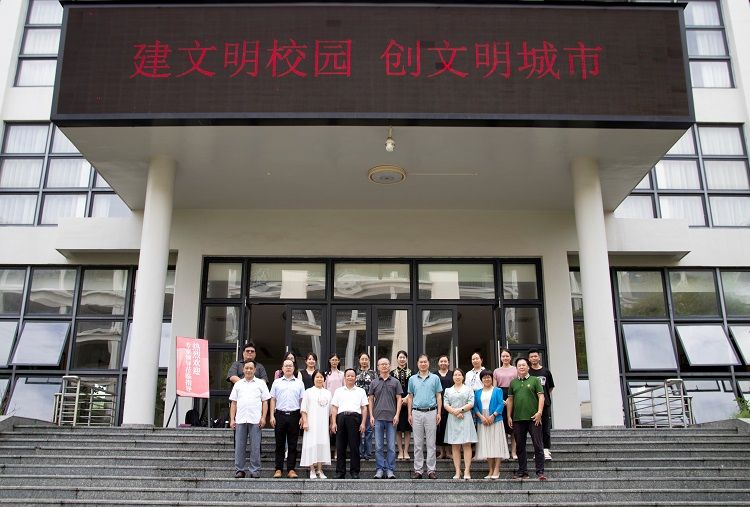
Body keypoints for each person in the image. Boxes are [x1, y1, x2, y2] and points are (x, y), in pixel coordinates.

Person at [229, 360, 270, 478]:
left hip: (255, 419)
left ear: (255, 370)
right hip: (240, 419)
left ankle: (255, 470)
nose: (249, 370)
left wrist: (263, 417)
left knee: (255, 446)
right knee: (239, 446)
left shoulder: (261, 383)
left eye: (251, 368)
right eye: (246, 368)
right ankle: (239, 470)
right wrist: (232, 419)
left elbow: (265, 402)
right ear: (243, 369)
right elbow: (233, 403)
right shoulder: (238, 384)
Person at [507, 357, 546, 481]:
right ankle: (523, 471)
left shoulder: (535, 380)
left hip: (534, 418)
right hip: (518, 419)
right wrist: (509, 416)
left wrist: (539, 412)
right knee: (520, 446)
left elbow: (541, 397)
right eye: (519, 365)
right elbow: (510, 400)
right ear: (516, 368)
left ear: (528, 367)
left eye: (524, 365)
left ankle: (540, 471)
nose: (521, 367)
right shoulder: (513, 383)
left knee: (538, 445)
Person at [407, 354, 443, 480]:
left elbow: (438, 396)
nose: (423, 364)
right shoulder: (412, 379)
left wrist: (439, 413)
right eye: (421, 362)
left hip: (431, 412)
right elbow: (410, 396)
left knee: (431, 443)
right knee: (417, 443)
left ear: (428, 363)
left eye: (425, 362)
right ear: (417, 364)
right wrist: (409, 413)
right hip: (416, 412)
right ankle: (418, 470)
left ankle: (431, 470)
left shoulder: (435, 378)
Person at [269, 359, 305, 478]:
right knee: (279, 444)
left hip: (295, 415)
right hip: (280, 415)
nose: (288, 367)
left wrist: (302, 416)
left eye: (290, 366)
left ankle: (291, 469)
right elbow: (273, 399)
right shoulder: (277, 382)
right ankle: (278, 469)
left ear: (294, 368)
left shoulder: (299, 383)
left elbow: (302, 400)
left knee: (293, 444)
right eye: (286, 366)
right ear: (282, 368)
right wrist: (272, 415)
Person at [330, 368, 369, 479]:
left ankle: (355, 471)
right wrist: (333, 422)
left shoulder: (360, 391)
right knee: (340, 446)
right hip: (341, 418)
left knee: (354, 446)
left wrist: (363, 423)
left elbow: (364, 408)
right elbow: (334, 407)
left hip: (355, 419)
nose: (350, 377)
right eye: (348, 375)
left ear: (355, 378)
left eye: (352, 376)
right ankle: (340, 472)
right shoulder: (339, 391)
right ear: (345, 377)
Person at [369, 357, 402, 479]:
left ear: (389, 366)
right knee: (378, 446)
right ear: (378, 367)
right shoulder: (374, 382)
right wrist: (371, 415)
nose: (384, 366)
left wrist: (397, 414)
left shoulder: (395, 382)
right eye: (381, 364)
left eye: (386, 364)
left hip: (391, 418)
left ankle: (390, 470)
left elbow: (399, 398)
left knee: (391, 447)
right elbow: (370, 399)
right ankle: (379, 469)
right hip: (377, 417)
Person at [473, 369, 509, 479]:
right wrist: (481, 417)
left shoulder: (497, 390)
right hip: (482, 420)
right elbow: (475, 406)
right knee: (487, 445)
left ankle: (497, 470)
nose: (487, 379)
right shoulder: (477, 392)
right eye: (484, 377)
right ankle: (490, 470)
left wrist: (493, 415)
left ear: (492, 378)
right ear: (481, 379)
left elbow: (500, 404)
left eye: (489, 377)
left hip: (495, 419)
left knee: (496, 444)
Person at [443, 368, 477, 480]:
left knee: (466, 444)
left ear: (463, 377)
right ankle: (457, 471)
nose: (457, 377)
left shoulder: (468, 389)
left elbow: (471, 403)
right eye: (455, 375)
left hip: (465, 417)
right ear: (452, 377)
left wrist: (460, 410)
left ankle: (467, 470)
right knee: (455, 445)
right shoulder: (448, 390)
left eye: (459, 375)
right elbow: (446, 404)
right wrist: (454, 412)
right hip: (453, 419)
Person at [300, 370, 332, 479]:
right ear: (313, 379)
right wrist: (305, 421)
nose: (319, 379)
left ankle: (320, 469)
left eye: (321, 377)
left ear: (324, 379)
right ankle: (312, 470)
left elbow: (331, 411)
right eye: (317, 377)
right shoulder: (308, 392)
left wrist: (331, 423)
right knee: (311, 444)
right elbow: (304, 409)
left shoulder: (328, 393)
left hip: (323, 424)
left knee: (322, 445)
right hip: (311, 424)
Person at [528, 349, 555, 460]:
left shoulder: (546, 371)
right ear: (529, 359)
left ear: (539, 357)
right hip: (532, 404)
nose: (534, 358)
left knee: (545, 427)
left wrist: (543, 398)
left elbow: (550, 387)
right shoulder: (528, 372)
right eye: (531, 357)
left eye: (535, 356)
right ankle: (538, 450)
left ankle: (546, 449)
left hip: (545, 404)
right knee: (535, 428)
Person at [493, 348, 518, 458]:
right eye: (503, 356)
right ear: (500, 358)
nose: (505, 358)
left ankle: (514, 452)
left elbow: (518, 384)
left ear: (510, 357)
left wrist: (510, 398)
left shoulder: (516, 369)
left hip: (514, 394)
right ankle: (504, 451)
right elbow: (494, 388)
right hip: (500, 395)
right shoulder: (496, 371)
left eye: (507, 356)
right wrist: (500, 400)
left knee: (513, 426)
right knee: (502, 425)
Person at [390, 350, 412, 460]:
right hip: (395, 404)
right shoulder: (392, 373)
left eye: (404, 357)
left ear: (406, 359)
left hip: (409, 402)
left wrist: (407, 398)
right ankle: (400, 451)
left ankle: (406, 451)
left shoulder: (412, 373)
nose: (402, 359)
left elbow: (413, 387)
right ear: (397, 359)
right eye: (400, 357)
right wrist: (398, 399)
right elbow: (390, 388)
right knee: (398, 429)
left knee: (407, 429)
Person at [355, 352, 376, 460]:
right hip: (356, 404)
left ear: (369, 360)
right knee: (358, 429)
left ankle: (368, 452)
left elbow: (376, 388)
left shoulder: (373, 374)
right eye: (362, 359)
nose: (364, 361)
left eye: (366, 359)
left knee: (368, 429)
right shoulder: (355, 372)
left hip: (369, 404)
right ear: (359, 360)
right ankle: (358, 452)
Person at [434, 354, 453, 460]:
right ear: (438, 363)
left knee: (449, 427)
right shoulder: (434, 375)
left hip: (451, 404)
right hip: (438, 404)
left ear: (448, 363)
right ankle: (442, 452)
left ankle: (449, 452)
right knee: (439, 428)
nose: (443, 363)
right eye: (441, 361)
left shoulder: (452, 374)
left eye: (445, 361)